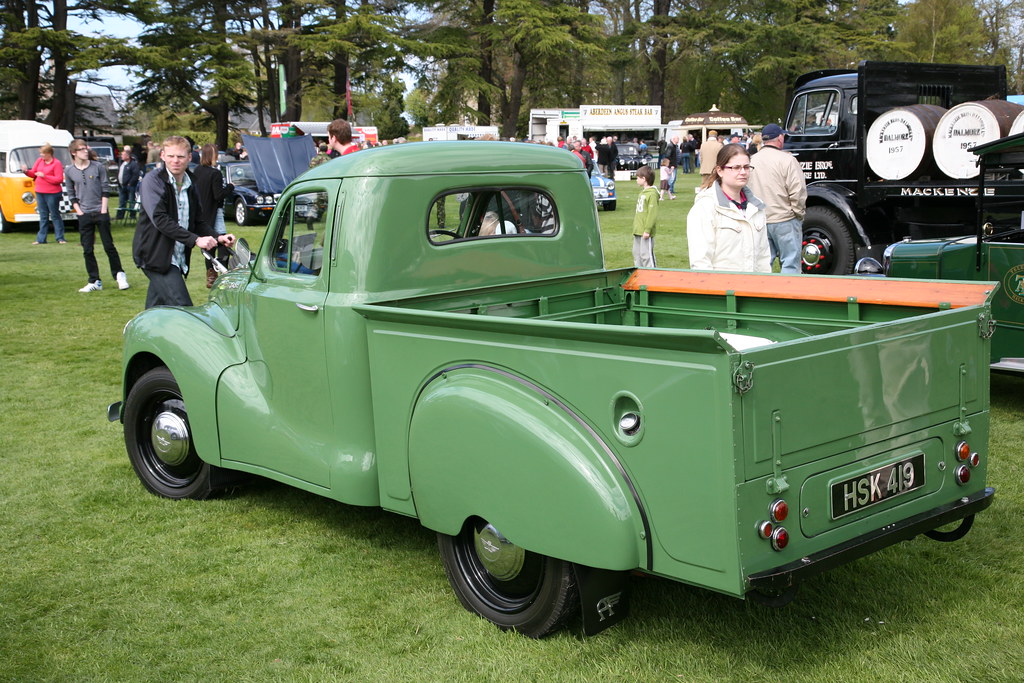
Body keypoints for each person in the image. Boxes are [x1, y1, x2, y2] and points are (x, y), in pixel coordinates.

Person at [133, 136, 235, 308]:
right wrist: (195, 240)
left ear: (189, 157)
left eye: (180, 156)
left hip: (176, 255)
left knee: (156, 309)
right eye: (171, 156)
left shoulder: (191, 183)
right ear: (163, 155)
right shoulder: (153, 181)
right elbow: (160, 219)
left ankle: (143, 333)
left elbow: (197, 222)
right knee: (184, 307)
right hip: (156, 256)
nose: (175, 161)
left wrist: (218, 237)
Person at [686, 143, 770, 272]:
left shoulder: (757, 207)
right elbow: (701, 262)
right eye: (736, 167)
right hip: (722, 289)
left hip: (753, 288)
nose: (743, 172)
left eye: (746, 167)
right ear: (720, 171)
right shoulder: (705, 207)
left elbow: (763, 258)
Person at [65, 139, 129, 292]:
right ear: (74, 153)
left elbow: (105, 188)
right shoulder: (69, 170)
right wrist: (79, 211)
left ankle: (119, 274)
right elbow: (70, 192)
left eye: (86, 148)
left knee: (109, 246)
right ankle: (94, 280)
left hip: (100, 211)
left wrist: (103, 209)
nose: (85, 151)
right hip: (84, 213)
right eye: (81, 149)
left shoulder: (98, 167)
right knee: (87, 249)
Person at [745, 123, 807, 274]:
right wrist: (798, 213)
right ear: (780, 138)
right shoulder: (787, 160)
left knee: (762, 265)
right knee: (790, 264)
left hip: (759, 219)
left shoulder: (751, 161)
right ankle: (788, 296)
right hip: (784, 218)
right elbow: (798, 191)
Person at [191, 143, 235, 287]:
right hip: (215, 211)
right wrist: (230, 187)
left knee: (209, 244)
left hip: (202, 213)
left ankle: (211, 274)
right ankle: (222, 269)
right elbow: (218, 195)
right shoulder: (215, 173)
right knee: (223, 241)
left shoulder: (196, 170)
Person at [22, 143, 66, 244]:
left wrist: (44, 176)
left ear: (49, 153)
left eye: (43, 153)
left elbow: (59, 179)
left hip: (53, 193)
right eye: (40, 153)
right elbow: (33, 173)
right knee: (43, 215)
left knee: (55, 215)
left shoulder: (56, 163)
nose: (41, 155)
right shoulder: (39, 161)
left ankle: (60, 238)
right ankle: (41, 239)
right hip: (39, 192)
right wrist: (26, 171)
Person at [632, 165, 659, 268]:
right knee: (637, 254)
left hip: (645, 231)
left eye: (638, 178)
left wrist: (647, 230)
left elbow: (652, 213)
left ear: (644, 179)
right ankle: (639, 275)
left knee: (646, 255)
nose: (636, 180)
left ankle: (652, 276)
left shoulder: (652, 194)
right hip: (638, 230)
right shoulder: (642, 193)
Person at [115, 147, 141, 220]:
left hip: (130, 186)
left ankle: (132, 216)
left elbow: (135, 175)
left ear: (128, 156)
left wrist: (130, 183)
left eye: (123, 155)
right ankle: (120, 216)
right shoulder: (122, 163)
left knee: (131, 201)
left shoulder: (133, 164)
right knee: (121, 201)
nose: (121, 156)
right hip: (121, 186)